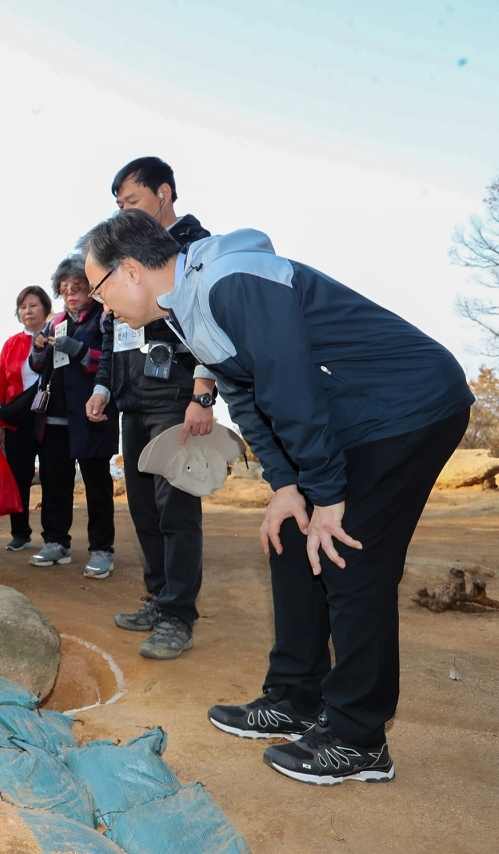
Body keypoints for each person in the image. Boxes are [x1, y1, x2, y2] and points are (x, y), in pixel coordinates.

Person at [81, 209, 473, 786]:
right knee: (291, 533)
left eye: (99, 289)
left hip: (406, 408)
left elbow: (291, 387)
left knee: (348, 554)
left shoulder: (229, 281)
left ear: (131, 270)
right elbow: (246, 395)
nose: (102, 307)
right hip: (353, 420)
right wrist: (287, 487)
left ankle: (359, 737)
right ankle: (295, 696)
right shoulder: (187, 308)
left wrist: (328, 495)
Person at [102, 157, 217, 661]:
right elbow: (115, 330)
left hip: (176, 397)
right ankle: (158, 594)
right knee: (144, 505)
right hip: (134, 400)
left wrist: (201, 392)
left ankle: (178, 616)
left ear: (163, 193)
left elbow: (211, 324)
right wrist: (107, 388)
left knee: (177, 507)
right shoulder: (124, 259)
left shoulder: (195, 247)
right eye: (120, 205)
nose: (125, 211)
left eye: (132, 200)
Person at [27, 256, 118, 578]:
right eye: (65, 289)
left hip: (92, 415)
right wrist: (38, 348)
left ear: (91, 289)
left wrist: (78, 349)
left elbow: (110, 361)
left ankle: (102, 549)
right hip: (55, 418)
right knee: (54, 484)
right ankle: (56, 542)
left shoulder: (106, 317)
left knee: (97, 486)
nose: (71, 294)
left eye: (77, 287)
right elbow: (40, 367)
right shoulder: (56, 322)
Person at [0, 285, 53, 551]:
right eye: (23, 307)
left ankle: (53, 535)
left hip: (50, 417)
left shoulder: (56, 338)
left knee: (52, 476)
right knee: (19, 476)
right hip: (17, 418)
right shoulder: (11, 344)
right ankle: (20, 533)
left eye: (33, 305)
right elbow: (1, 384)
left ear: (46, 309)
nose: (28, 311)